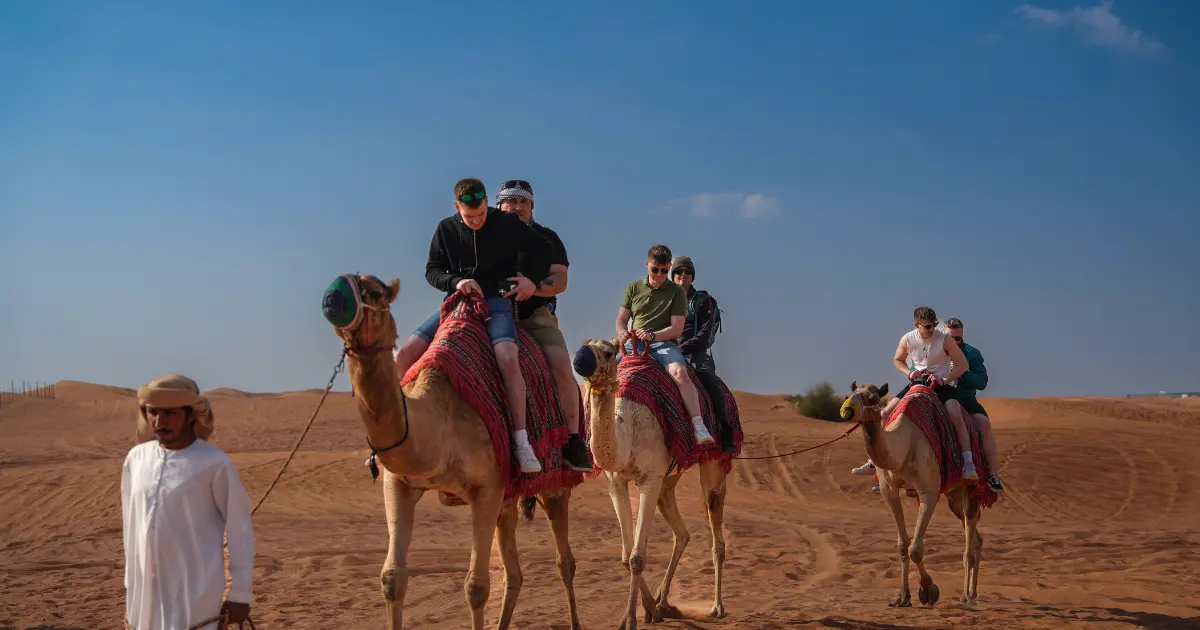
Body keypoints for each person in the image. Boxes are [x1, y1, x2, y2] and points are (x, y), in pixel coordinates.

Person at [393, 177, 553, 473]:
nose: (477, 220)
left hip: (497, 299)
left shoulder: (504, 222)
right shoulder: (446, 229)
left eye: (481, 214)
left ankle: (521, 442)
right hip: (457, 302)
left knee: (507, 358)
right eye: (470, 217)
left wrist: (530, 279)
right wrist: (456, 281)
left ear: (486, 204)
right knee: (403, 356)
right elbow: (432, 270)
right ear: (457, 207)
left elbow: (543, 249)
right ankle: (395, 437)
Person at [121, 374, 254, 630]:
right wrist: (131, 586)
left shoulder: (215, 463)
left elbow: (240, 529)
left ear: (191, 414)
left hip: (195, 595)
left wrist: (240, 594)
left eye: (169, 413)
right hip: (143, 594)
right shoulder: (136, 459)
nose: (160, 422)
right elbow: (130, 526)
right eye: (153, 413)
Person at [495, 178, 592, 472]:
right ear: (499, 205)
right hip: (492, 312)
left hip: (534, 314)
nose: (517, 207)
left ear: (532, 205)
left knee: (562, 364)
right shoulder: (485, 236)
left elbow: (559, 281)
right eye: (510, 201)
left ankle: (573, 441)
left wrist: (532, 288)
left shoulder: (547, 239)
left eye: (523, 201)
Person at [851, 307, 978, 481]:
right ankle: (874, 461)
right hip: (916, 384)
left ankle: (968, 463)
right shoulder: (908, 339)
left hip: (940, 385)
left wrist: (945, 380)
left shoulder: (945, 340)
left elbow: (962, 365)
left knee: (956, 416)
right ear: (916, 325)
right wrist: (909, 373)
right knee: (884, 413)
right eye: (927, 326)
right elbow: (898, 359)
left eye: (933, 325)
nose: (932, 329)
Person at [615, 244, 715, 445]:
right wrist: (622, 333)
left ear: (668, 267)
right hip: (634, 344)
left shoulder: (676, 293)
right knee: (602, 370)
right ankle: (587, 430)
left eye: (664, 271)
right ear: (647, 265)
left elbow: (677, 329)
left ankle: (698, 425)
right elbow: (621, 319)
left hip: (663, 344)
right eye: (655, 270)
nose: (660, 275)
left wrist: (652, 335)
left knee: (680, 373)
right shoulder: (633, 288)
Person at [670, 255, 736, 453]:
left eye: (687, 272)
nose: (683, 275)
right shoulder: (665, 301)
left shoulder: (704, 301)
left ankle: (726, 430)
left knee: (708, 380)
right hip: (668, 351)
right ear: (673, 275)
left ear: (692, 276)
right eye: (679, 271)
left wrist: (682, 349)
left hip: (696, 355)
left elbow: (706, 335)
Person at [943, 318, 1004, 492]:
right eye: (950, 337)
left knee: (983, 424)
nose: (953, 342)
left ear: (962, 335)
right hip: (940, 396)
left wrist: (963, 372)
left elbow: (982, 382)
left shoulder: (972, 354)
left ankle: (992, 474)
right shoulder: (936, 349)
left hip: (965, 399)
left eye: (957, 338)